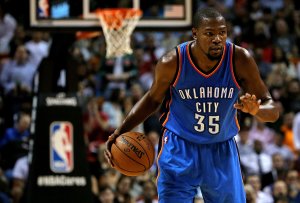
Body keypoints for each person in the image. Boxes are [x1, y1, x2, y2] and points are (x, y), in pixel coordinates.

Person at [105, 7, 279, 202]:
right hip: (180, 147)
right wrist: (120, 131)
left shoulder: (240, 59)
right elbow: (152, 99)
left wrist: (257, 110)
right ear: (195, 33)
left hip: (220, 149)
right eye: (209, 33)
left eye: (222, 32)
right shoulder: (173, 61)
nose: (217, 39)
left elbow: (273, 110)